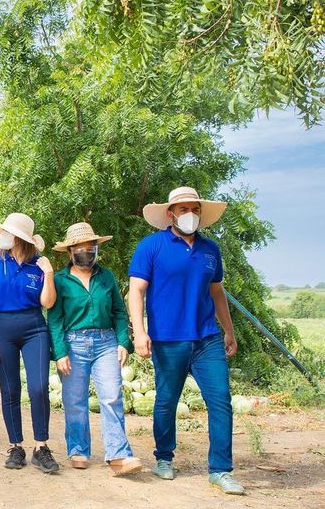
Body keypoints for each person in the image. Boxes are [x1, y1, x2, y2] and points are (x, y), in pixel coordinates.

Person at [128, 186, 244, 495]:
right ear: (171, 214)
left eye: (195, 209)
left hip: (207, 338)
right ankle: (164, 457)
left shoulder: (210, 250)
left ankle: (220, 470)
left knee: (221, 401)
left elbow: (217, 293)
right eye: (183, 209)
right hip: (167, 340)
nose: (190, 214)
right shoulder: (151, 246)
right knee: (167, 401)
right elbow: (136, 290)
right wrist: (140, 331)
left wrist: (229, 330)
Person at [48, 222, 141, 476]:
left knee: (111, 397)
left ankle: (118, 454)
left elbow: (119, 312)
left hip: (106, 342)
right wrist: (60, 352)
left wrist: (123, 342)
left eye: (90, 247)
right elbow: (54, 319)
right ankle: (78, 449)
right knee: (74, 400)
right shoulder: (60, 280)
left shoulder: (106, 276)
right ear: (70, 252)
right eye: (80, 248)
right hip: (73, 343)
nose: (85, 252)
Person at [0, 213, 59, 472]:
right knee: (10, 389)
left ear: (21, 238)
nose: (3, 236)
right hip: (1, 327)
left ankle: (41, 447)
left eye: (8, 232)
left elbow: (47, 303)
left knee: (39, 387)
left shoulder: (39, 264)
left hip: (34, 326)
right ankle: (16, 446)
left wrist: (49, 273)